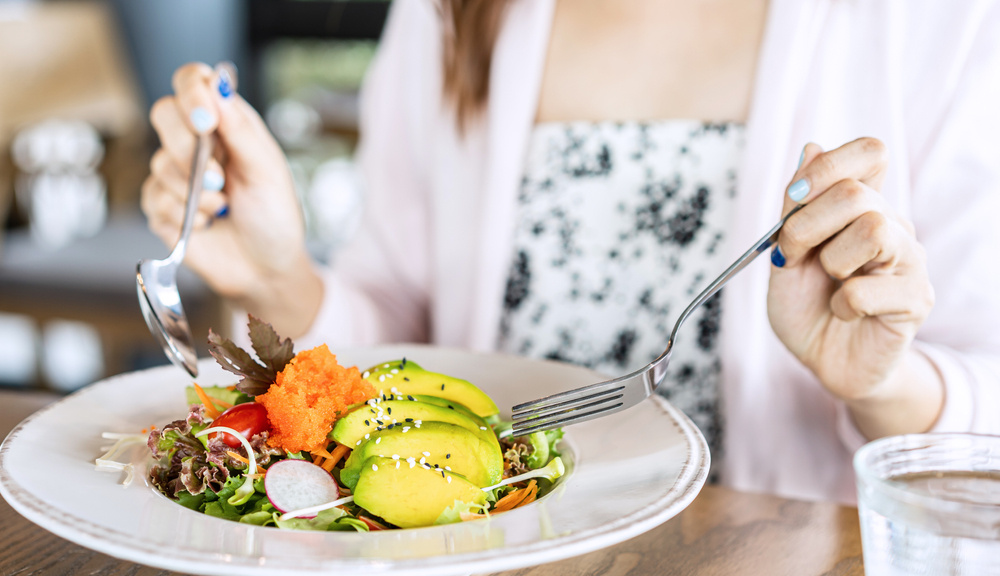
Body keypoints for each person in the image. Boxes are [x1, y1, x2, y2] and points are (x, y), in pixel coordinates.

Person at [141, 0, 1000, 504]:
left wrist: (883, 381)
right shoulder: (448, 14)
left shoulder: (944, 23)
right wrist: (277, 276)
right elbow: (396, 326)